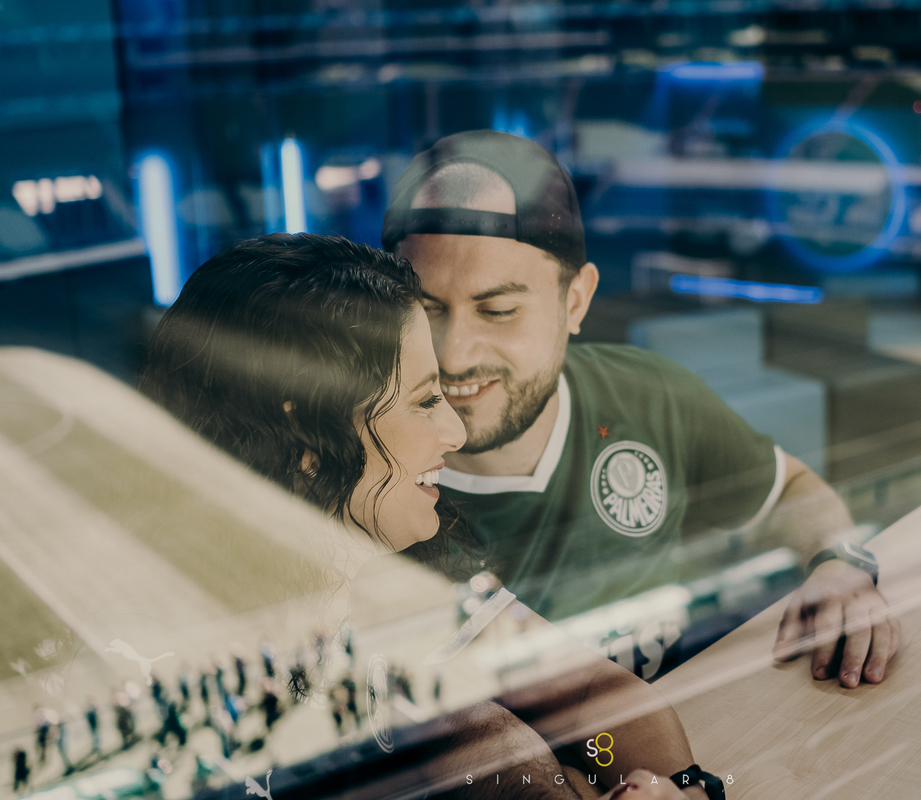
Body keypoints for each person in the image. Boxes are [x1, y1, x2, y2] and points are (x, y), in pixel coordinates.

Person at [140, 233, 701, 799]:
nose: (455, 434)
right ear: (307, 434)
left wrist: (681, 787)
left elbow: (580, 694)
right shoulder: (183, 676)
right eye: (425, 401)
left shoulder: (409, 565)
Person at [382, 130, 901, 688]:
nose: (453, 354)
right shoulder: (365, 473)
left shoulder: (646, 397)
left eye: (500, 311)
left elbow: (787, 490)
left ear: (575, 301)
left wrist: (839, 563)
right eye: (425, 309)